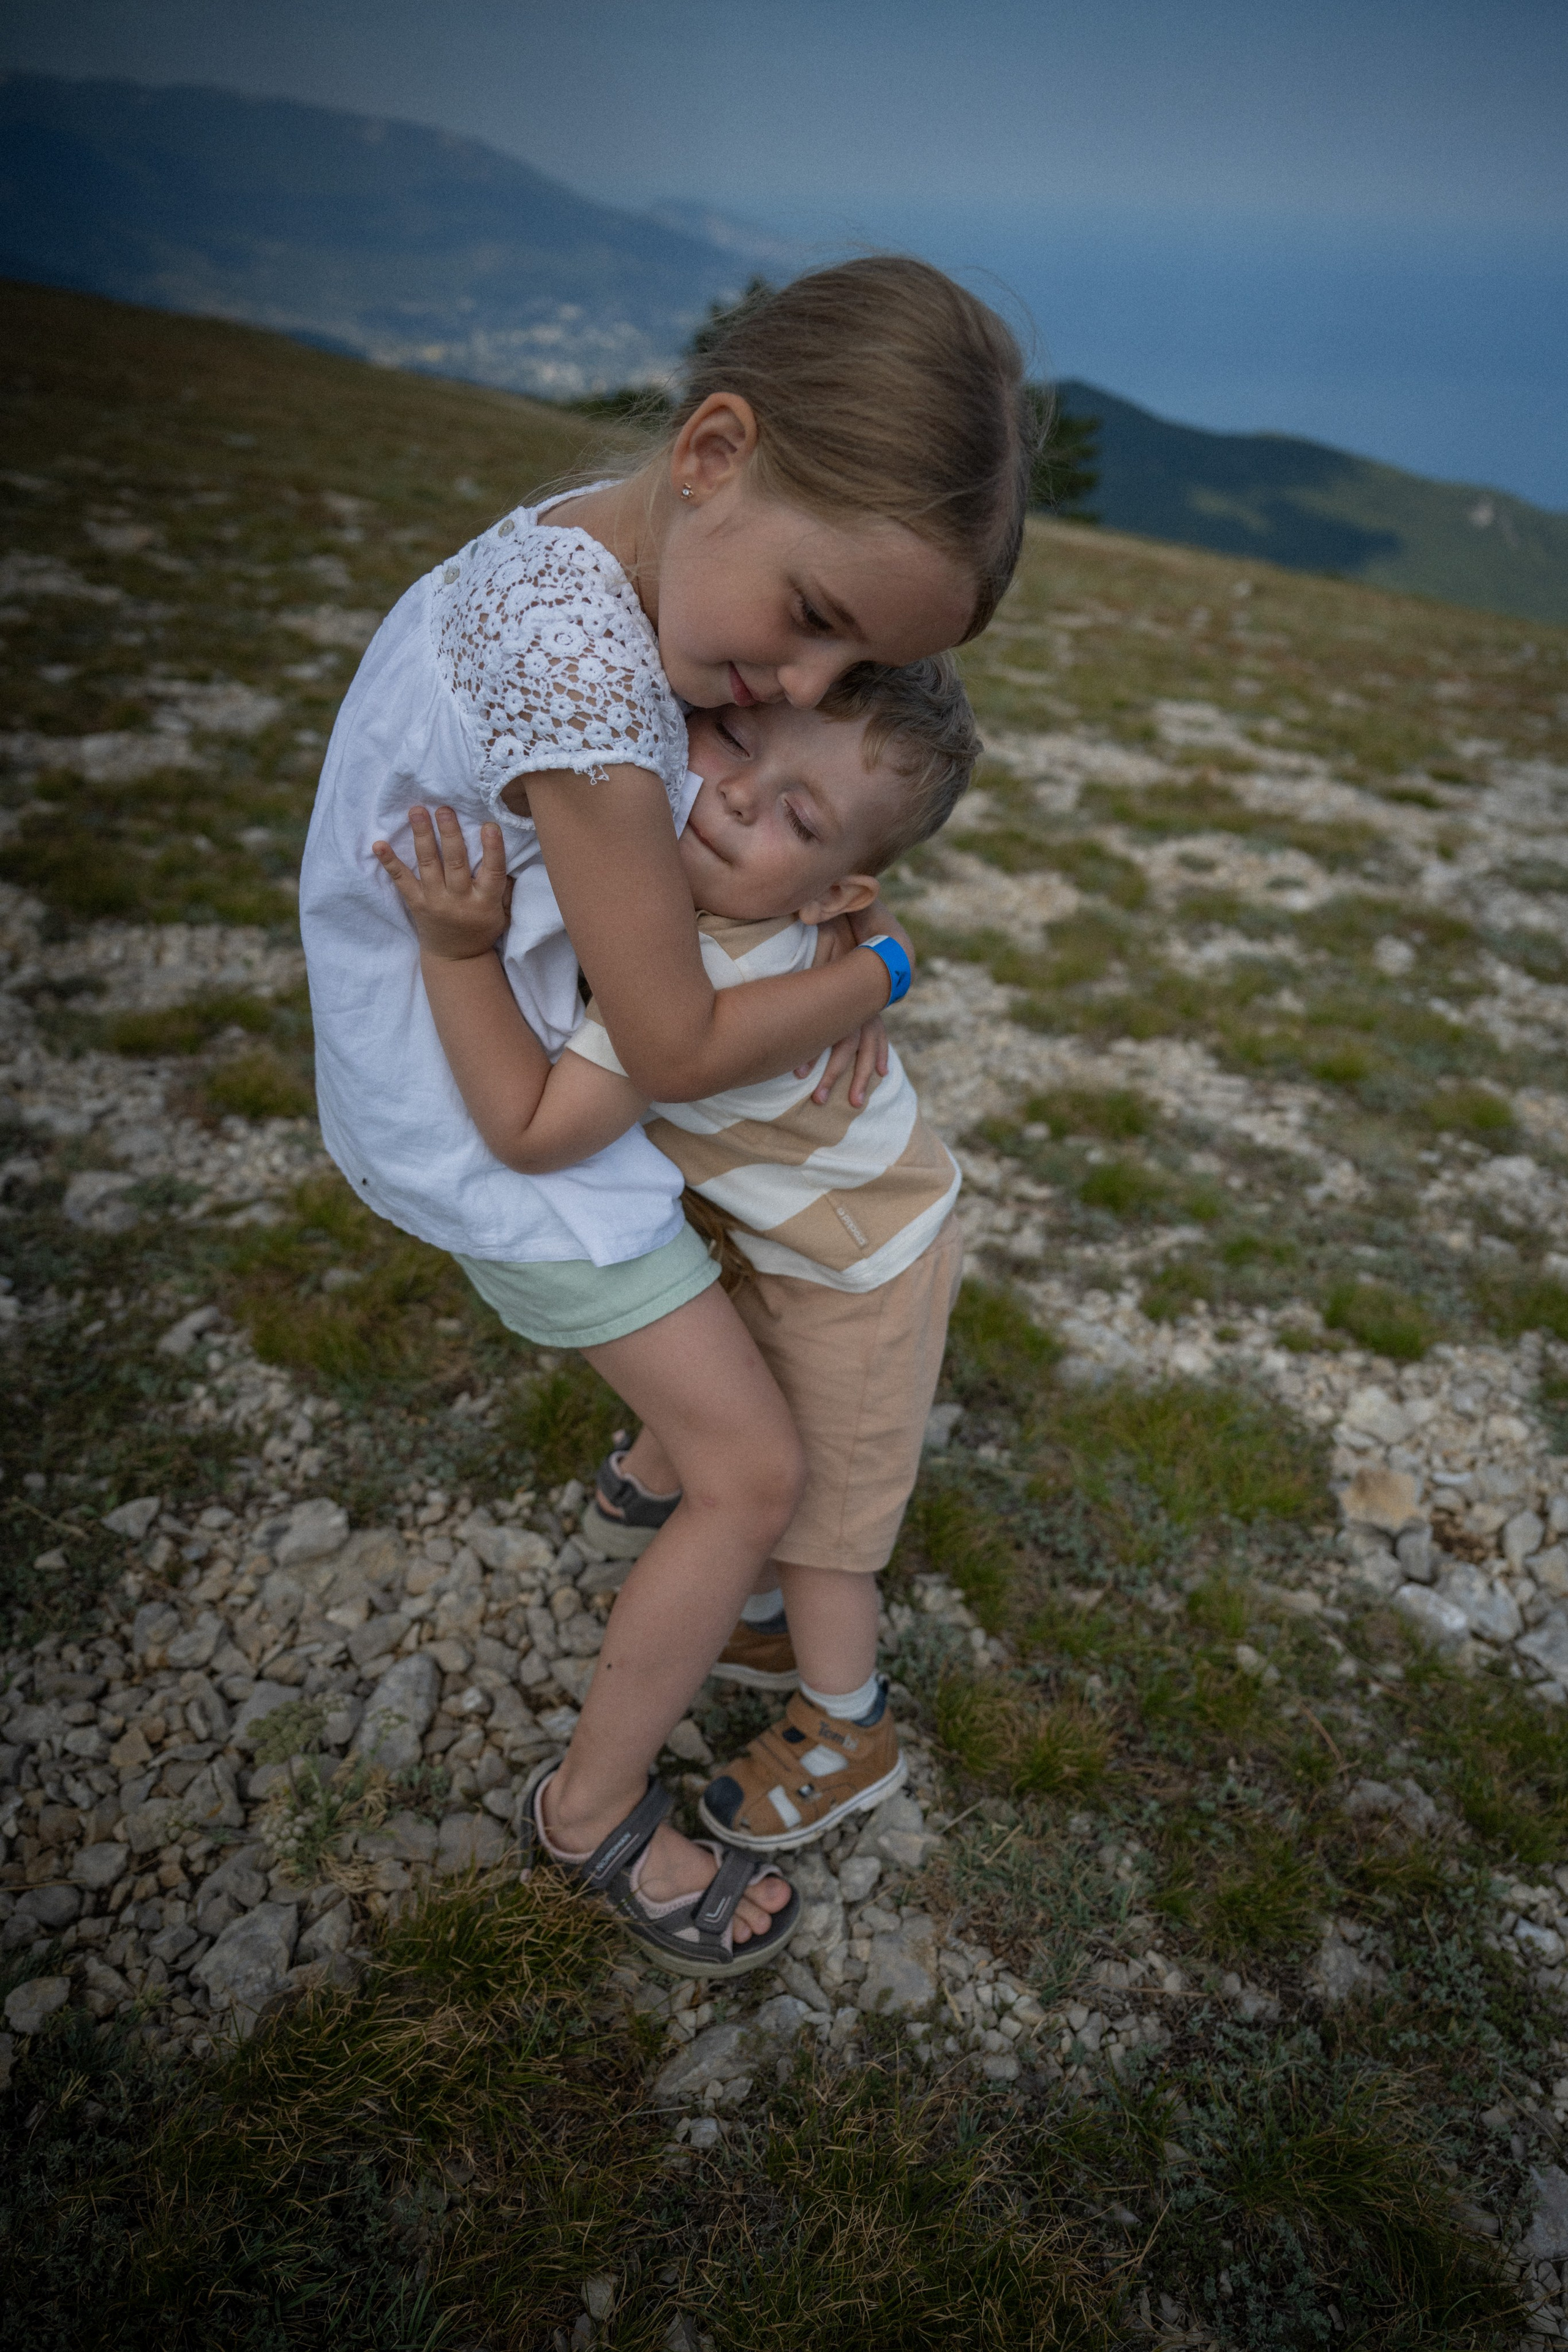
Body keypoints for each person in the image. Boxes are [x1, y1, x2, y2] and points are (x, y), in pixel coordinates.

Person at [301, 257, 1033, 1977]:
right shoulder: (599, 717)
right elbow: (682, 1044)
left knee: (739, 1306)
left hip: (458, 1028)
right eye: (812, 616)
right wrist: (882, 971)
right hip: (489, 1099)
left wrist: (816, 889)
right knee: (757, 1466)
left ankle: (663, 1468)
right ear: (715, 449)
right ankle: (593, 1818)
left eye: (855, 658)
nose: (792, 686)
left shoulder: (586, 550)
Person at [375, 662, 976, 1863]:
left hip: (865, 1267)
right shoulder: (727, 899)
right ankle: (746, 1625)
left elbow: (535, 1130)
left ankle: (846, 1725)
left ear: (834, 891)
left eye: (797, 819)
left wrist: (458, 957)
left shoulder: (702, 975)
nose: (737, 797)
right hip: (786, 1234)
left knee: (822, 1529)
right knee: (747, 1409)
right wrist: (877, 945)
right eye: (733, 736)